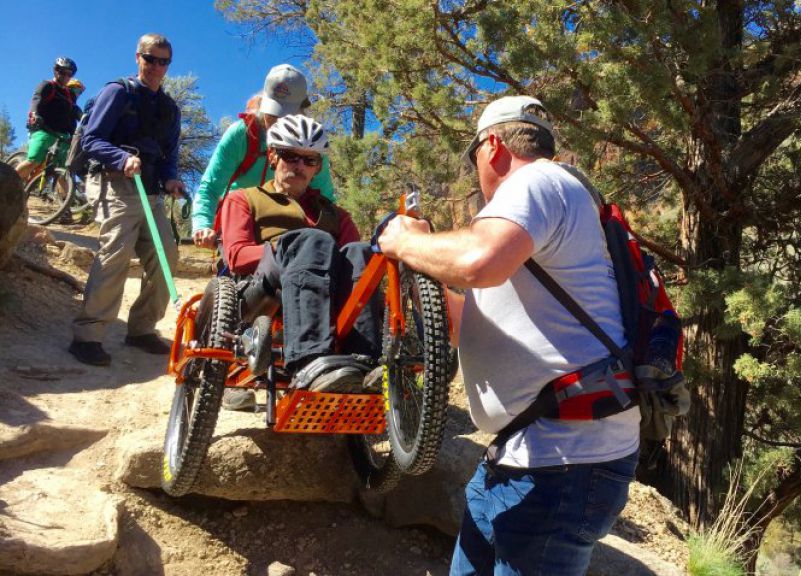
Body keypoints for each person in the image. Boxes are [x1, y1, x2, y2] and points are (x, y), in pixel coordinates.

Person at [377, 95, 639, 575]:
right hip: (522, 456)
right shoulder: (541, 215)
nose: (475, 174)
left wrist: (404, 241)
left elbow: (479, 262)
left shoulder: (535, 180)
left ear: (492, 145)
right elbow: (468, 323)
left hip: (560, 464)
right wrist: (425, 287)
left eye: (472, 157)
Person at [220, 114, 381, 408]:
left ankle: (365, 361)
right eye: (291, 156)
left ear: (317, 167)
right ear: (272, 156)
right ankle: (309, 361)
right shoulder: (244, 199)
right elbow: (237, 255)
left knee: (360, 252)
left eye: (310, 161)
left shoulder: (335, 214)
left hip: (325, 288)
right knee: (312, 241)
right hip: (261, 289)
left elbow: (353, 266)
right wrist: (289, 249)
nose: (300, 166)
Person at [69, 33, 184, 367]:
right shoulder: (117, 92)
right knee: (115, 254)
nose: (156, 67)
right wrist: (121, 158)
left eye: (163, 61)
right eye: (151, 59)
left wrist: (171, 178)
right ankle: (87, 336)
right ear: (138, 58)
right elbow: (91, 140)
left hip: (150, 191)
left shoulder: (169, 109)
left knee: (167, 256)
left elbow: (169, 156)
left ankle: (141, 329)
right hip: (112, 182)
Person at [190, 64, 336, 250]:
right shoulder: (242, 135)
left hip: (287, 227)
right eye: (273, 113)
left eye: (287, 115)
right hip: (240, 224)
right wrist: (203, 225)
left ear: (301, 110)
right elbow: (210, 187)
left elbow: (325, 200)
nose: (277, 122)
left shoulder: (310, 148)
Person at [15, 57, 83, 182]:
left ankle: (65, 199)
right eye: (62, 72)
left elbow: (74, 111)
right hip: (44, 129)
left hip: (63, 137)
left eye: (69, 73)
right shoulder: (47, 85)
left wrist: (85, 121)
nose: (66, 76)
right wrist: (34, 115)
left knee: (61, 172)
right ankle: (6, 181)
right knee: (34, 161)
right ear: (56, 71)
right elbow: (37, 100)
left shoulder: (69, 95)